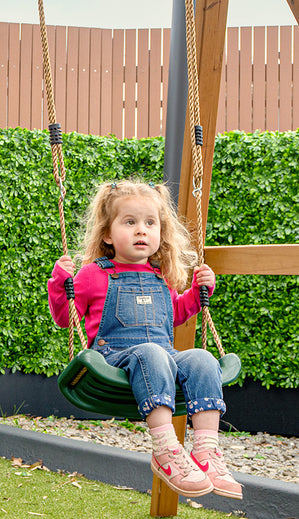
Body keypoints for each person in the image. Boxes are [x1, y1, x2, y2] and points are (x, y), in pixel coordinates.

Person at [48, 179, 242, 500]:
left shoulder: (161, 275)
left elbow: (175, 315)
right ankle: (166, 450)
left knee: (201, 358)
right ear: (108, 234)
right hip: (116, 360)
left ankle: (207, 453)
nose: (142, 230)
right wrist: (60, 284)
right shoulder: (94, 274)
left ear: (160, 232)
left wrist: (198, 293)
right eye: (130, 222)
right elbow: (65, 317)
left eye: (150, 223)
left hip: (162, 358)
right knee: (152, 352)